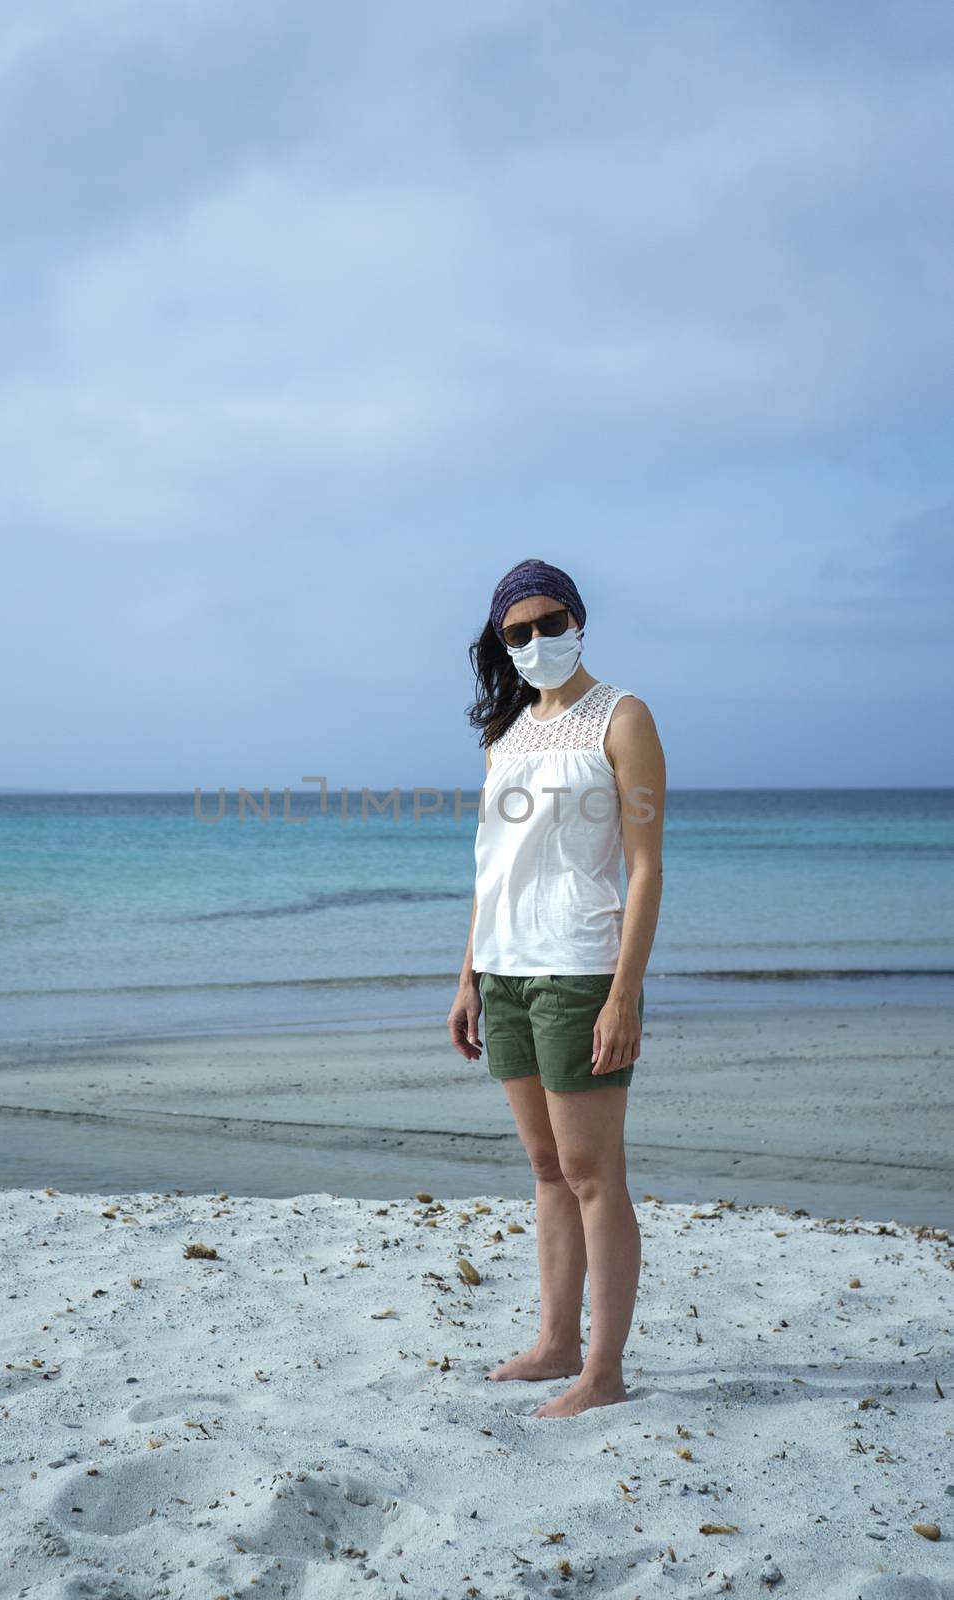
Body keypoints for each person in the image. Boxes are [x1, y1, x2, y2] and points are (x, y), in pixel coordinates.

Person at [447, 557, 666, 1418]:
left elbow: (645, 867)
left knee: (591, 1172)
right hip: (502, 971)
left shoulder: (622, 716)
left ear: (577, 619)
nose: (536, 640)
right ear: (501, 642)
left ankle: (602, 1371)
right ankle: (554, 1343)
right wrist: (466, 977)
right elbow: (488, 869)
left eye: (549, 622)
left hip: (580, 967)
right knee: (544, 1168)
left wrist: (623, 992)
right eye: (518, 631)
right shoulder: (503, 734)